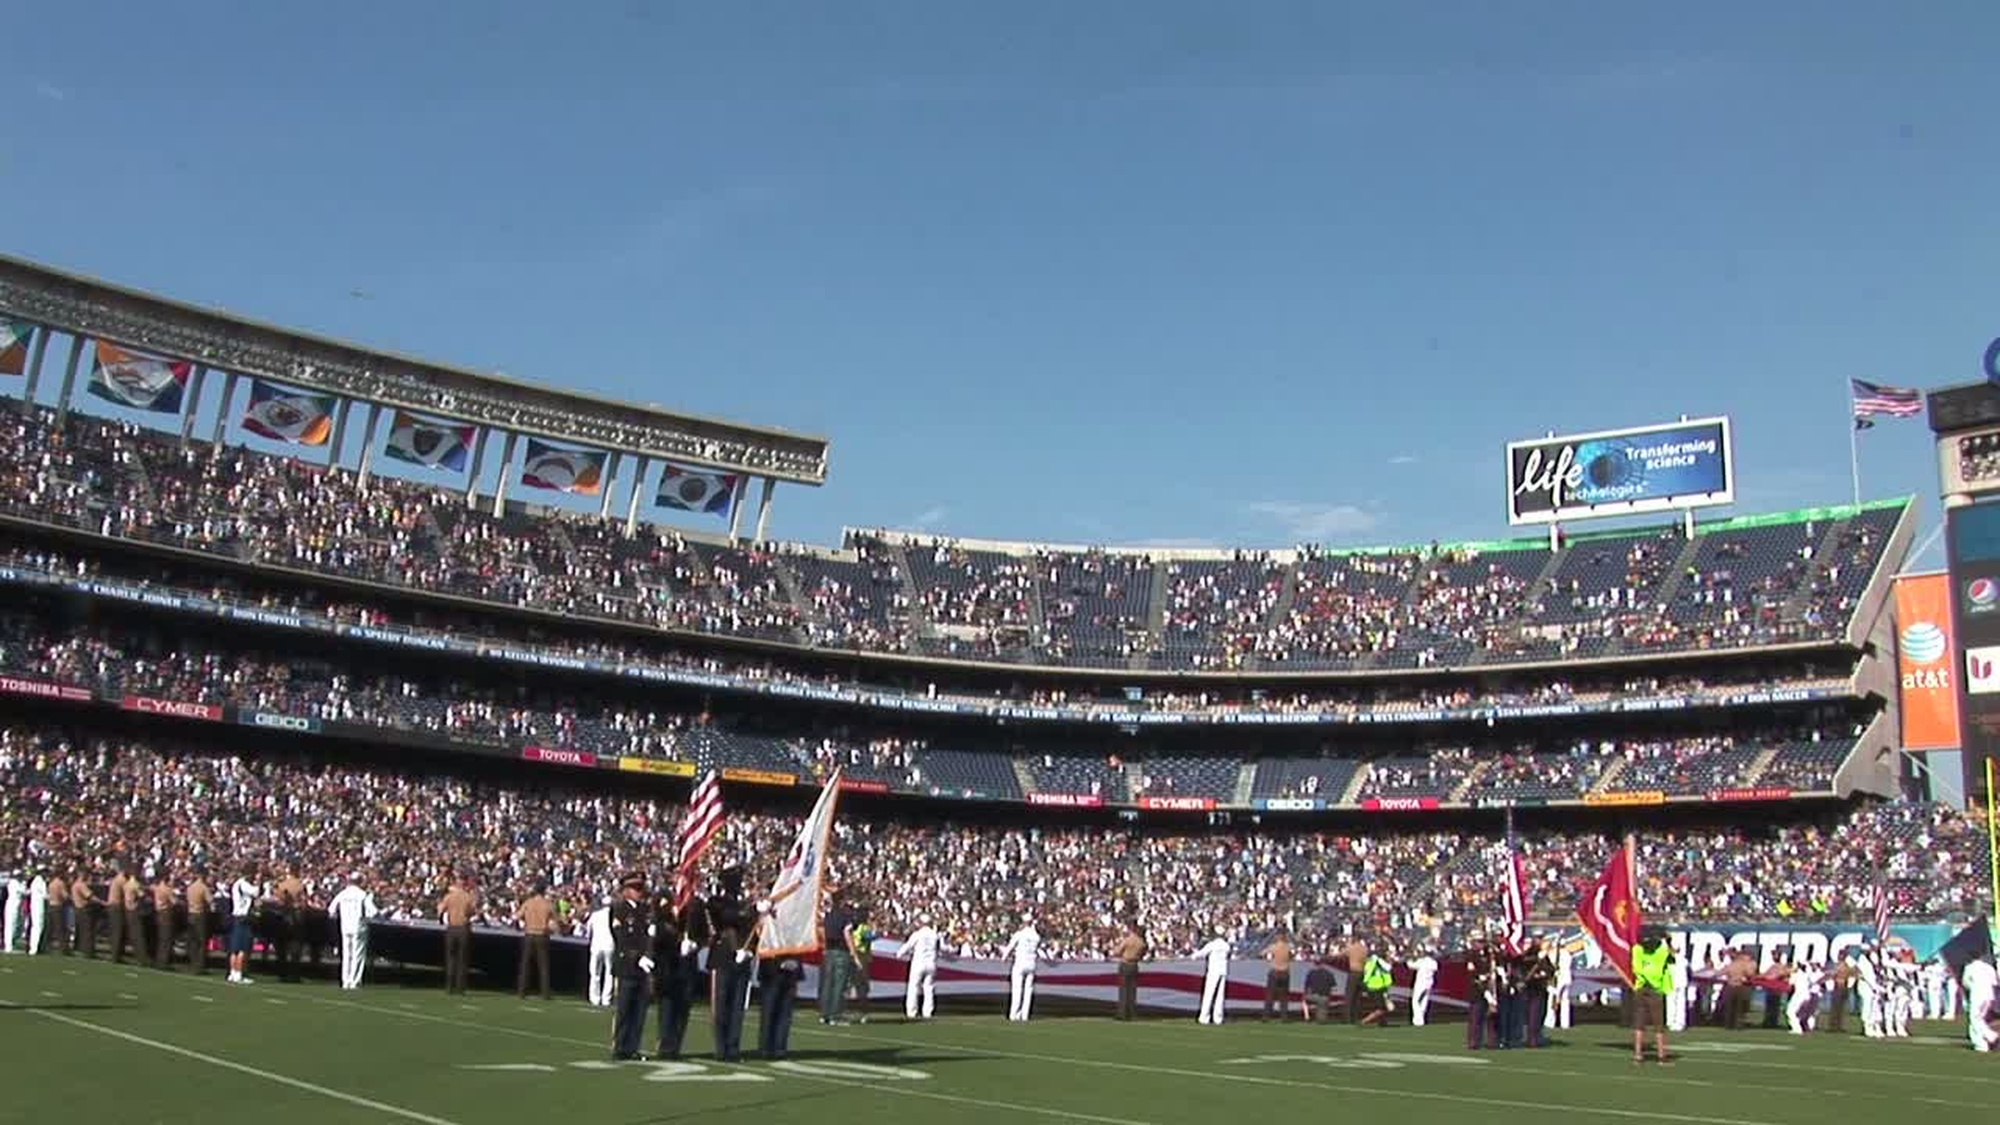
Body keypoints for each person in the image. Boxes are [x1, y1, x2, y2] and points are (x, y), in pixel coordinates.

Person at [706, 866, 756, 1063]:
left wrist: (747, 949)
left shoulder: (742, 905)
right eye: (735, 881)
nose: (738, 885)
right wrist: (751, 911)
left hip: (741, 959)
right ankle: (721, 1048)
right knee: (721, 1006)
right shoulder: (716, 902)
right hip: (723, 958)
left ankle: (733, 1047)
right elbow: (728, 918)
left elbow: (749, 926)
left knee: (737, 1006)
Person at [653, 884, 708, 1060]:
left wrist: (694, 944)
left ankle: (676, 1045)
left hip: (688, 964)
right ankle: (665, 1045)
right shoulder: (664, 901)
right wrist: (677, 941)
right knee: (667, 1007)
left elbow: (704, 934)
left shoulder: (696, 905)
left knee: (683, 1007)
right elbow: (659, 929)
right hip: (668, 964)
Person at [609, 873, 653, 1061]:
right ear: (626, 890)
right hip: (627, 964)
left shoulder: (645, 910)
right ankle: (620, 1046)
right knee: (624, 1008)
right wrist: (637, 957)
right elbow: (621, 938)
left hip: (643, 967)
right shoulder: (619, 909)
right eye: (636, 889)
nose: (639, 893)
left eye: (640, 889)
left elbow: (648, 937)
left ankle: (633, 1046)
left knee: (639, 1010)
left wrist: (648, 956)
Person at [1630, 931, 1674, 1065]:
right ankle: (1661, 1056)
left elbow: (1636, 968)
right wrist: (1667, 939)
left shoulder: (1637, 951)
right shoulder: (1660, 953)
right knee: (1659, 1025)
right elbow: (1672, 953)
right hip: (1656, 989)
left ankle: (1638, 1055)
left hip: (1641, 987)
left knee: (1639, 1024)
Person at [328, 875, 377, 990]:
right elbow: (373, 912)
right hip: (359, 926)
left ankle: (346, 981)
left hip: (345, 927)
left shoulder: (343, 894)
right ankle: (355, 982)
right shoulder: (363, 895)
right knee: (358, 955)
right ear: (360, 881)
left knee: (346, 955)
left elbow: (331, 910)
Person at [759, 952, 805, 1061]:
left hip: (791, 970)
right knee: (769, 1012)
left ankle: (780, 1048)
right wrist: (779, 962)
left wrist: (795, 962)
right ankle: (766, 1048)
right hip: (771, 969)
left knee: (785, 1014)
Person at [819, 893, 855, 1025]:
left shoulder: (827, 916)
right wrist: (854, 954)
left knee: (828, 984)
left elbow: (823, 933)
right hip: (841, 952)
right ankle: (835, 1015)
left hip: (829, 951)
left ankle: (825, 1014)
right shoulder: (844, 916)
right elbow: (847, 935)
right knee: (839, 985)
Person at [516, 885, 556, 1000]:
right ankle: (545, 993)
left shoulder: (528, 903)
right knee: (543, 965)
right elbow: (555, 919)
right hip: (542, 935)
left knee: (525, 964)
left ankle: (521, 991)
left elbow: (517, 916)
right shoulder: (548, 904)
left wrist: (527, 920)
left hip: (529, 933)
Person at [439, 876, 475, 996]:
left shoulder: (449, 896)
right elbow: (471, 912)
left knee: (451, 958)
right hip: (463, 928)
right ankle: (461, 988)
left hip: (452, 928)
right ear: (464, 885)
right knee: (462, 959)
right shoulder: (468, 897)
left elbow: (440, 910)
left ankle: (449, 987)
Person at [902, 915, 942, 1021]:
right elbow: (939, 949)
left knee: (913, 987)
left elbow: (908, 946)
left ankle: (912, 1011)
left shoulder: (917, 934)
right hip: (931, 963)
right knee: (929, 988)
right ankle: (928, 1012)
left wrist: (898, 954)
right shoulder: (935, 935)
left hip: (918, 963)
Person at [1002, 916, 1041, 1022]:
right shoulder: (1036, 936)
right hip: (1031, 963)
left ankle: (1013, 1014)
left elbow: (1010, 947)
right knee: (1028, 990)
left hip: (1020, 963)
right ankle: (1025, 1015)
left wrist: (1004, 957)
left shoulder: (1019, 934)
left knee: (1017, 989)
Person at [1110, 922, 1145, 1022]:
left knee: (1123, 990)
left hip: (1125, 964)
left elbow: (1117, 952)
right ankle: (1132, 1013)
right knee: (1132, 991)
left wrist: (1115, 948)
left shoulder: (1128, 940)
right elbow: (1142, 953)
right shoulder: (1141, 943)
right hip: (1134, 965)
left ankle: (1122, 1013)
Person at [1194, 931, 1231, 1025]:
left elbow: (1202, 953)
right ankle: (1218, 1018)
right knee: (1220, 996)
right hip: (1223, 971)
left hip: (1213, 971)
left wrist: (1193, 955)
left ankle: (1204, 1017)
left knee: (1208, 994)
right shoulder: (1226, 946)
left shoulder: (1212, 945)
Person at [1963, 953, 1997, 1053]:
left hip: (1977, 996)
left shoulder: (1969, 967)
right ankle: (1990, 1036)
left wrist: (1972, 987)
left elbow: (1965, 982)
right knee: (1979, 1019)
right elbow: (1994, 982)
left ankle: (1982, 1043)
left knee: (1974, 1019)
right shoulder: (1989, 967)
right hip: (1989, 996)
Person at [585, 896, 615, 1007]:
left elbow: (588, 931)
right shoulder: (614, 916)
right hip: (609, 946)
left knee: (594, 973)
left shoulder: (595, 915)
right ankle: (606, 999)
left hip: (596, 945)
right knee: (609, 973)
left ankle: (594, 998)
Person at [1262, 931, 1294, 1021]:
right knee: (1284, 996)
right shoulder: (1288, 947)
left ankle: (1266, 1015)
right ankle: (1284, 1016)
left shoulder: (1273, 947)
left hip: (1275, 971)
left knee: (1270, 995)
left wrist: (1270, 958)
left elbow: (1262, 953)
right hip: (1285, 971)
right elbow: (1292, 956)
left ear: (1277, 938)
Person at [1358, 948, 1394, 1027]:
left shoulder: (1372, 962)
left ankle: (1382, 1022)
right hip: (1376, 987)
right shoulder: (1376, 962)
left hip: (1377, 986)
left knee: (1383, 1006)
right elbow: (1388, 968)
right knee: (1381, 1008)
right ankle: (1364, 1021)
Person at [184, 870, 211, 974]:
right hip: (199, 915)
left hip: (190, 913)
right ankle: (199, 966)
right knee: (201, 942)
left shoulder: (190, 887)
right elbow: (210, 901)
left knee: (192, 941)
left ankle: (193, 963)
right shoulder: (203, 888)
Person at [1410, 946, 1439, 1027]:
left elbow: (1410, 965)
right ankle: (1421, 1018)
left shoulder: (1422, 961)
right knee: (1424, 1001)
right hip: (1429, 983)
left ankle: (1418, 1020)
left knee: (1415, 1001)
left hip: (1421, 983)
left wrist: (1412, 957)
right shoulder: (1434, 962)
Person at [27, 870, 47, 955]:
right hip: (38, 905)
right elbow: (45, 895)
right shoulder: (40, 881)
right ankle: (34, 948)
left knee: (36, 926)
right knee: (38, 927)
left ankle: (34, 947)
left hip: (35, 905)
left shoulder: (35, 881)